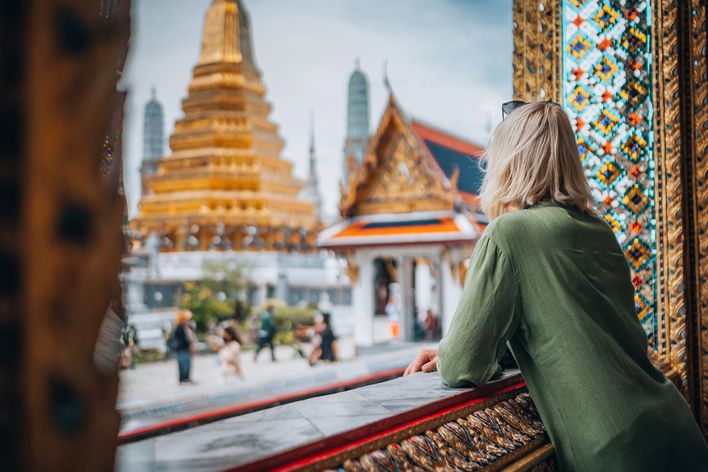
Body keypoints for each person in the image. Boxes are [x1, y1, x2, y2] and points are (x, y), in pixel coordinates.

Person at [404, 101, 708, 471]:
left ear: (509, 162)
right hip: (676, 429)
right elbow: (571, 328)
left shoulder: (507, 234)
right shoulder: (600, 231)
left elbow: (463, 366)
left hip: (616, 453)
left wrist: (448, 353)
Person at [171, 310, 196, 384]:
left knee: (188, 364)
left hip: (187, 349)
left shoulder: (188, 326)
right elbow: (181, 339)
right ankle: (182, 379)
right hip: (182, 348)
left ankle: (187, 378)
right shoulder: (179, 327)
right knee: (182, 364)